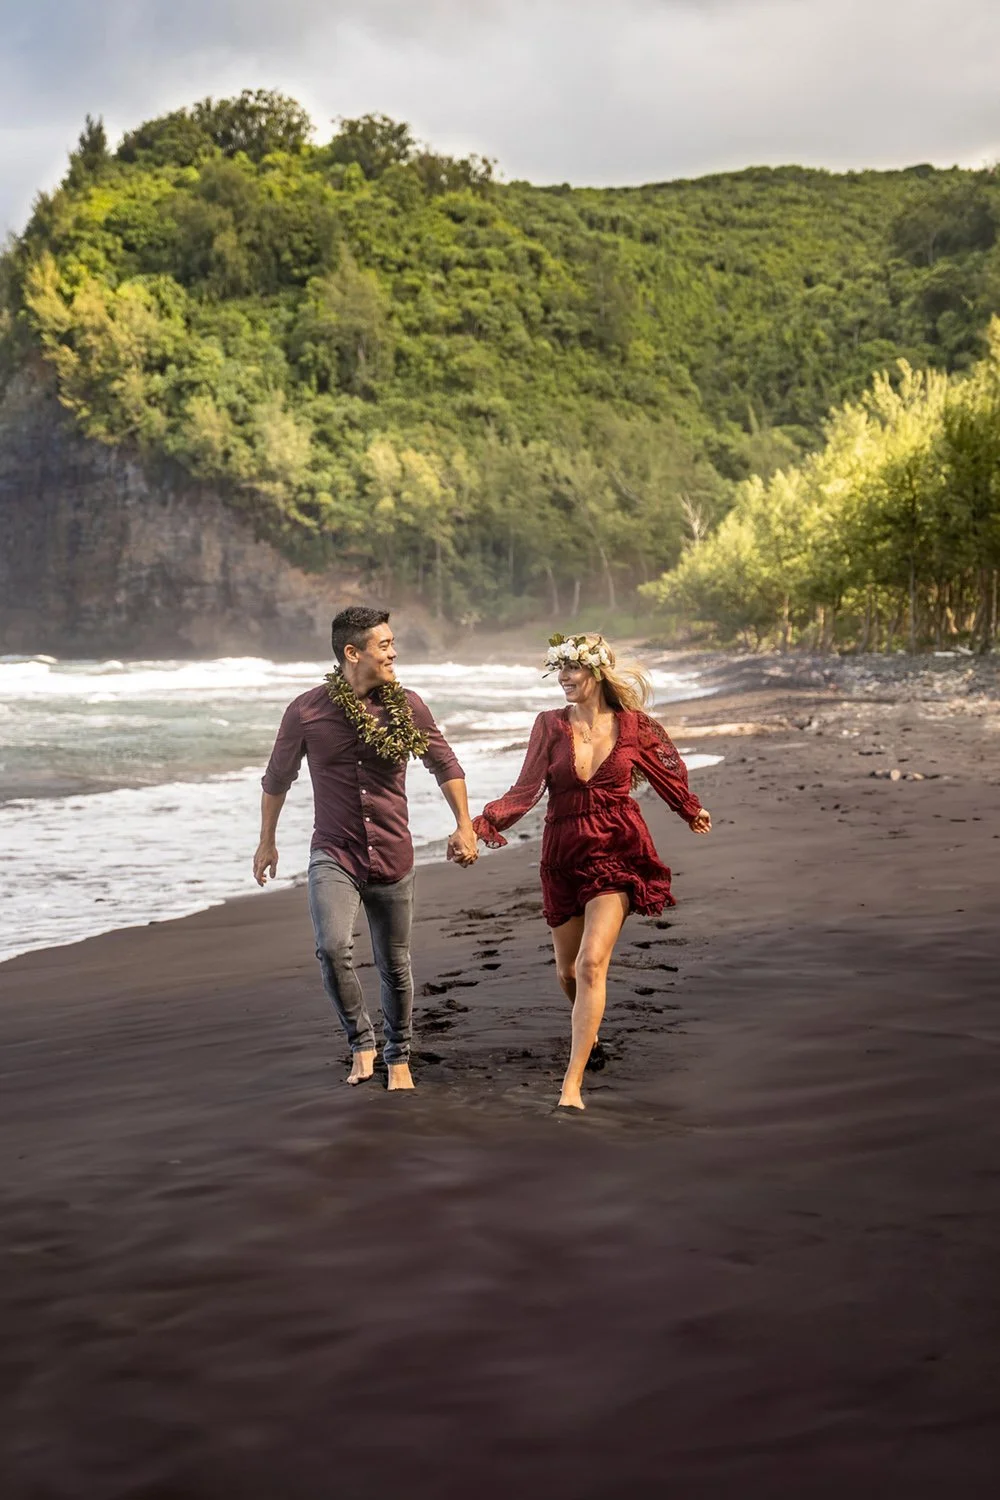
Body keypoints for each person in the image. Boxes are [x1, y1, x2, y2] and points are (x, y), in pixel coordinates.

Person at [473, 633, 712, 1111]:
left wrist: (689, 809)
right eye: (558, 671)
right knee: (567, 971)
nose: (563, 678)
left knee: (590, 964)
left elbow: (666, 769)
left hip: (618, 848)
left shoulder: (633, 725)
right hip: (562, 855)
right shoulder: (548, 726)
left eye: (572, 669)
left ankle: (572, 1086)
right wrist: (484, 823)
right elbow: (525, 789)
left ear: (597, 672)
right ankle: (592, 1036)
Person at [253, 606, 478, 1091]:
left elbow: (445, 764)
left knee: (395, 962)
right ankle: (361, 1043)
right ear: (352, 653)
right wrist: (267, 841)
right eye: (385, 645)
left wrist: (464, 825)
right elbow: (277, 778)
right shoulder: (306, 711)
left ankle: (399, 1055)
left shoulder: (408, 706)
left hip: (395, 854)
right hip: (335, 852)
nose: (394, 652)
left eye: (393, 643)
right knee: (333, 948)